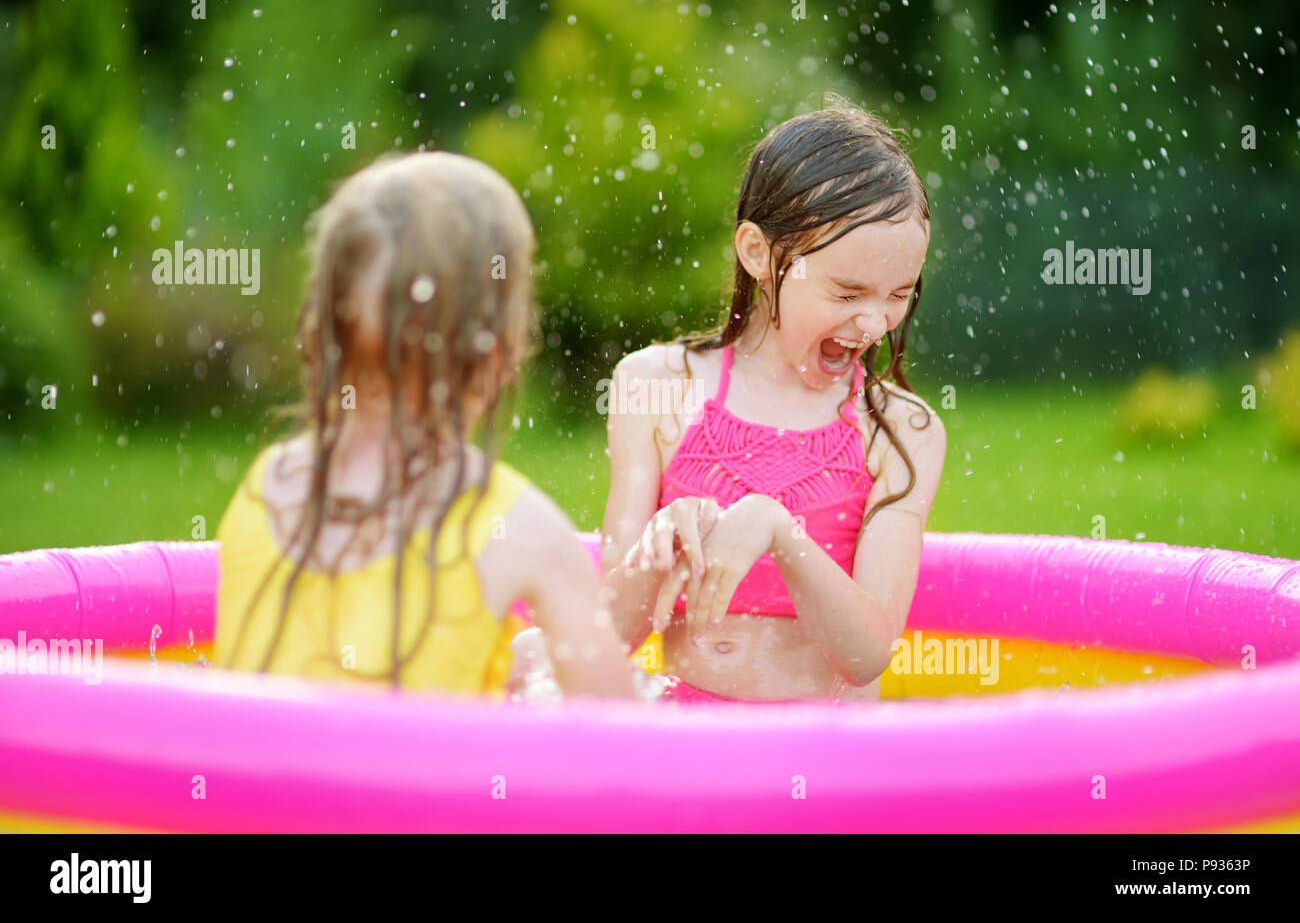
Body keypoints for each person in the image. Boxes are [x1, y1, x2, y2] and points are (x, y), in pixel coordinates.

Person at [214, 152, 635, 699]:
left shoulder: (265, 487)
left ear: (322, 330)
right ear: (502, 344)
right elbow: (626, 755)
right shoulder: (523, 529)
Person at [600, 100, 946, 702]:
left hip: (822, 752)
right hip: (687, 738)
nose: (873, 322)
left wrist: (779, 532)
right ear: (758, 253)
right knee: (532, 662)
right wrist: (660, 546)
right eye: (847, 291)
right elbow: (606, 639)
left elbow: (866, 655)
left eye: (899, 294)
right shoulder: (655, 387)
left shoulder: (900, 430)